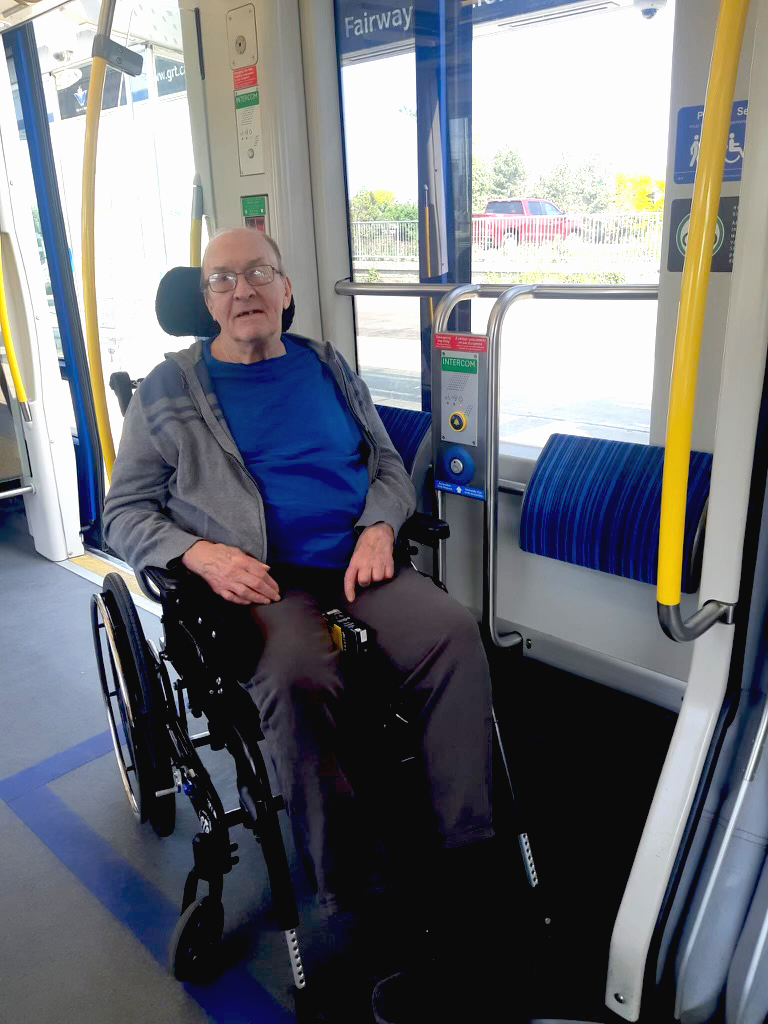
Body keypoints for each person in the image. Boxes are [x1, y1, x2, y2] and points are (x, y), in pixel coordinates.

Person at [103, 227, 502, 1022]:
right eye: (223, 280)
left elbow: (388, 465)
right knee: (298, 674)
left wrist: (382, 525)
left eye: (259, 273)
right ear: (205, 299)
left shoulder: (326, 363)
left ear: (286, 289)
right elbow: (123, 512)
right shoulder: (167, 387)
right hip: (259, 585)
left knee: (455, 634)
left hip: (356, 564)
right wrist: (200, 555)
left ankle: (468, 857)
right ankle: (353, 898)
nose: (242, 290)